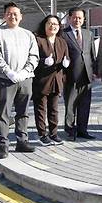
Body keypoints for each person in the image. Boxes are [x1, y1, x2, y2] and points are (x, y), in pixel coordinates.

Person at [0, 2, 39, 159]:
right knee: (3, 113)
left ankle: (22, 141)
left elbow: (34, 55)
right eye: (9, 13)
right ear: (4, 16)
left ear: (21, 16)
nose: (12, 16)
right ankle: (3, 145)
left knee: (23, 112)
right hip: (4, 79)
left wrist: (25, 71)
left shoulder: (28, 34)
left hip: (25, 79)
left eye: (15, 13)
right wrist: (8, 71)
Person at [32, 15, 69, 146]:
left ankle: (54, 134)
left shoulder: (62, 41)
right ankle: (42, 134)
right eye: (50, 23)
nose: (53, 26)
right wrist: (43, 62)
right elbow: (32, 60)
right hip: (41, 80)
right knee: (41, 108)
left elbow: (67, 57)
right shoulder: (38, 40)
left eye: (56, 24)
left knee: (54, 109)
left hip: (57, 80)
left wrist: (66, 63)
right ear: (45, 25)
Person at [62, 7, 97, 140]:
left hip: (86, 75)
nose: (77, 20)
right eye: (75, 17)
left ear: (83, 19)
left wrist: (94, 71)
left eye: (80, 18)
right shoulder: (63, 34)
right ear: (69, 18)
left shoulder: (88, 33)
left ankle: (83, 130)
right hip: (70, 75)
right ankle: (70, 130)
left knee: (85, 104)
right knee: (70, 105)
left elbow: (91, 54)